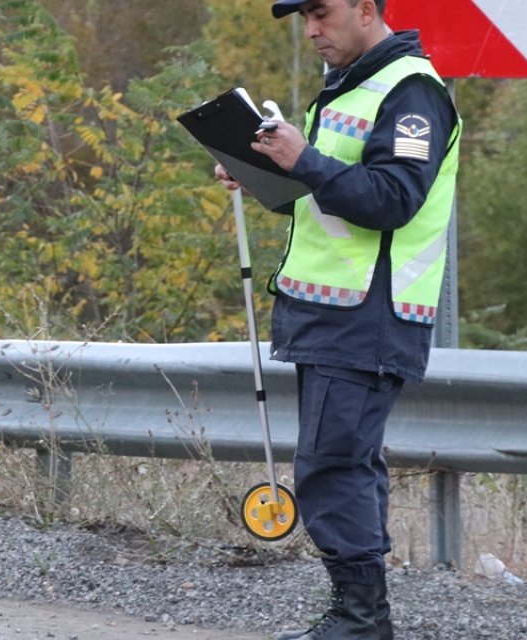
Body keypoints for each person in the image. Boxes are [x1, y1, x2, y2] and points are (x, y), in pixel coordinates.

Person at [214, 0, 460, 638]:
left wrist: (306, 162)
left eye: (322, 13)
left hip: (368, 313)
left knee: (332, 464)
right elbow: (329, 201)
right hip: (330, 310)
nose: (312, 30)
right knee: (344, 461)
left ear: (366, 8)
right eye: (304, 19)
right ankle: (362, 618)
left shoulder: (410, 92)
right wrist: (266, 171)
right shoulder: (346, 89)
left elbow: (393, 199)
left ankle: (359, 622)